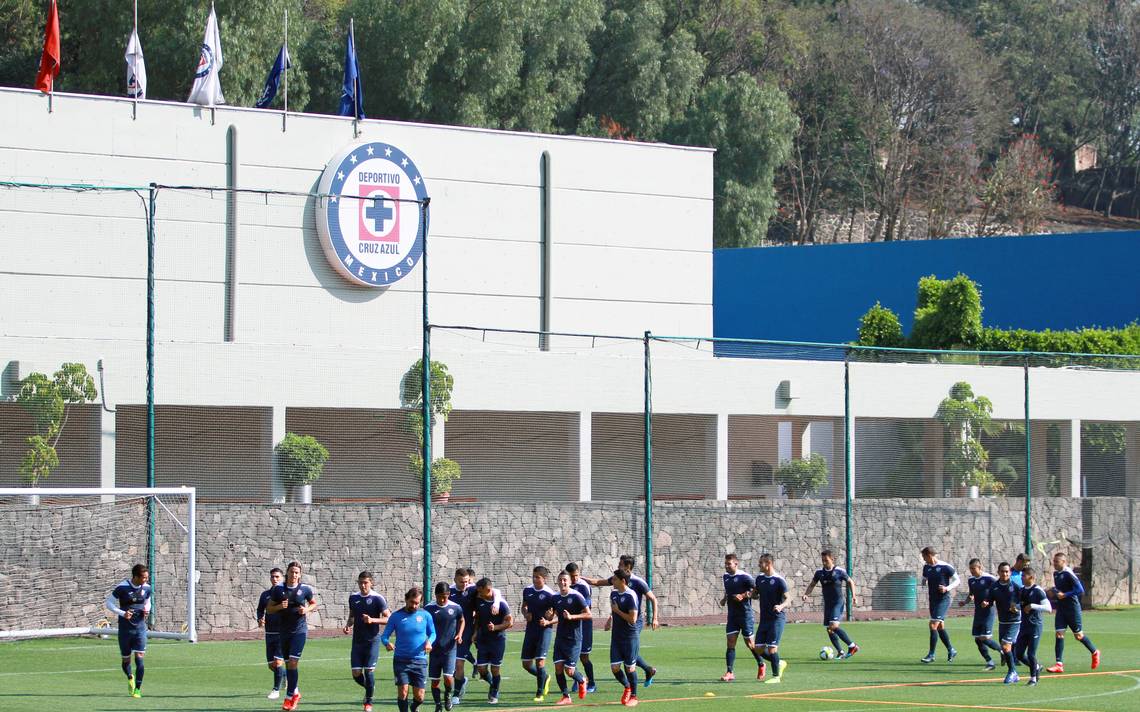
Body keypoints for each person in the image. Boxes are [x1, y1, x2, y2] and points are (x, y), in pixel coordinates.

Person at [585, 555, 659, 686]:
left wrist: (655, 618)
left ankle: (631, 689)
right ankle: (647, 670)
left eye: (620, 564)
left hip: (635, 621)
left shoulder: (638, 582)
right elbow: (597, 582)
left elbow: (653, 598)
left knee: (628, 653)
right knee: (627, 653)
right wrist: (579, 578)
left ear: (627, 567)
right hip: (620, 621)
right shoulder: (617, 579)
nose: (618, 566)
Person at [267, 561, 318, 711]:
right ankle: (295, 692)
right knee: (289, 664)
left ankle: (289, 697)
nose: (294, 575)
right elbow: (269, 609)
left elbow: (314, 604)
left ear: (299, 574)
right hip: (283, 631)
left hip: (299, 631)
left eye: (297, 572)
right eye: (292, 572)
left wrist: (307, 610)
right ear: (287, 573)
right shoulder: (278, 590)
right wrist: (278, 607)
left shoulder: (305, 590)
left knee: (293, 662)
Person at [381, 587, 436, 712]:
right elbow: (384, 636)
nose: (414, 605)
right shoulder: (396, 616)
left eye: (417, 603)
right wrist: (386, 643)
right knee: (403, 692)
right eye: (412, 602)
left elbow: (433, 633)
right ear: (406, 599)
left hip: (420, 660)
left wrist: (429, 642)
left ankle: (414, 706)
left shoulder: (425, 615)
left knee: (420, 696)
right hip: (401, 660)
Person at [344, 571, 391, 712]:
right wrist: (348, 625)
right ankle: (370, 687)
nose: (363, 585)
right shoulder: (353, 598)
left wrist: (373, 620)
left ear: (371, 583)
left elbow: (389, 618)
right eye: (360, 582)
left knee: (369, 670)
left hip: (372, 640)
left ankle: (368, 702)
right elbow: (352, 615)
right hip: (357, 641)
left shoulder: (378, 599)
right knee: (356, 673)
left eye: (366, 582)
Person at [1046, 552, 1100, 673]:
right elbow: (1060, 589)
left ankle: (1095, 652)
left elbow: (1080, 590)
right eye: (1053, 561)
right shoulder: (1056, 574)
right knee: (1059, 634)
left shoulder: (1068, 573)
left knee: (1079, 636)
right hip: (1061, 609)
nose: (1054, 564)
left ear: (1063, 562)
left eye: (1056, 562)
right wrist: (1053, 590)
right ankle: (1059, 664)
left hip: (1072, 608)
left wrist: (1065, 595)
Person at [802, 550, 859, 660]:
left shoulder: (839, 571)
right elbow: (812, 584)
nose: (824, 563)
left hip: (837, 603)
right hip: (828, 604)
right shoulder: (819, 572)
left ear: (832, 559)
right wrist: (806, 594)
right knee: (829, 629)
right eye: (822, 560)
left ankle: (852, 646)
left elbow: (850, 582)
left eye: (826, 560)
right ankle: (840, 652)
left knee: (833, 626)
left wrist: (854, 596)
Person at [106, 563, 152, 699]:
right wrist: (122, 613)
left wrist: (147, 610)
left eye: (147, 577)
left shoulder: (147, 588)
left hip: (140, 629)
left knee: (139, 658)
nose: (146, 580)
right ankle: (130, 677)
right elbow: (109, 603)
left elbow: (148, 601)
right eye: (144, 577)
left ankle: (138, 689)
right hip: (125, 629)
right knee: (126, 660)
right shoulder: (122, 587)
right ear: (136, 577)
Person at [719, 552, 765, 681]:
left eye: (729, 564)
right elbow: (728, 591)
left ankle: (761, 664)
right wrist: (724, 599)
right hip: (733, 616)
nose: (727, 566)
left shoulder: (745, 577)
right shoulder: (726, 577)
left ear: (736, 563)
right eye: (725, 564)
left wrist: (743, 596)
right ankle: (729, 672)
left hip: (745, 615)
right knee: (730, 642)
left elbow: (757, 593)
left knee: (750, 644)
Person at [550, 570, 591, 705]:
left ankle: (582, 680)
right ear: (557, 581)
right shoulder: (555, 597)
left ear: (569, 582)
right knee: (558, 668)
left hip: (574, 639)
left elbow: (588, 614)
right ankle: (566, 696)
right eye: (560, 580)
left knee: (570, 671)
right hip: (560, 638)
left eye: (565, 580)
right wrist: (549, 616)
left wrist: (572, 617)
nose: (562, 582)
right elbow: (553, 614)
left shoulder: (577, 596)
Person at [424, 581, 464, 712]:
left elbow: (462, 620)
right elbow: (423, 626)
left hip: (449, 649)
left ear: (449, 595)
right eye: (439, 596)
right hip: (434, 650)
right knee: (435, 681)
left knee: (447, 677)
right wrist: (426, 641)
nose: (442, 599)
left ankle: (447, 695)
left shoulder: (456, 607)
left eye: (445, 596)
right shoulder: (428, 608)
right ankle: (438, 704)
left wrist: (459, 634)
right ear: (435, 595)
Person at [473, 577, 513, 705]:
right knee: (481, 669)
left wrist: (495, 627)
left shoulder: (501, 603)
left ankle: (494, 691)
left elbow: (509, 622)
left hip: (497, 640)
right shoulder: (479, 601)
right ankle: (492, 684)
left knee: (495, 669)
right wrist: (475, 632)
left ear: (488, 589)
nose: (478, 593)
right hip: (483, 640)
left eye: (481, 591)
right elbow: (478, 618)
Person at [521, 566, 557, 701]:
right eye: (534, 577)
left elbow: (557, 615)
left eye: (538, 577)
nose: (535, 579)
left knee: (540, 663)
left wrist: (550, 617)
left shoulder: (550, 594)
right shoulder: (528, 590)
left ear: (544, 579)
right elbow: (523, 606)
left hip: (544, 631)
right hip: (530, 630)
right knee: (526, 664)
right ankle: (545, 677)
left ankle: (539, 693)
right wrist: (526, 614)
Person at [982, 562, 1022, 684]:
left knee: (1005, 645)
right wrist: (986, 603)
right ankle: (1033, 667)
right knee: (1007, 649)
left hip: (1014, 621)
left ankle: (1012, 672)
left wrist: (1017, 607)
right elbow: (989, 599)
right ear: (998, 572)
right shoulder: (994, 587)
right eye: (1002, 571)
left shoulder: (1015, 587)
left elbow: (1023, 602)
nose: (1004, 573)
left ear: (1010, 572)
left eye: (1007, 571)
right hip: (1002, 621)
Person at [753, 553, 790, 684]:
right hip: (764, 619)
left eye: (761, 563)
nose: (759, 565)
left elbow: (788, 599)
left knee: (772, 648)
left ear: (768, 564)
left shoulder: (779, 580)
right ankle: (779, 662)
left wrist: (781, 606)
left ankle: (776, 677)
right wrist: (750, 594)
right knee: (758, 648)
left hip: (777, 619)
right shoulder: (759, 579)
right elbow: (755, 594)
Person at [919, 546, 959, 663]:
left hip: (943, 600)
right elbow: (924, 578)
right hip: (933, 600)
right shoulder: (926, 567)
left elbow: (957, 580)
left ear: (929, 555)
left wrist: (947, 588)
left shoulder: (945, 567)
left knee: (932, 625)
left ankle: (931, 655)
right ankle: (951, 650)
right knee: (940, 627)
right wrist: (923, 582)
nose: (923, 559)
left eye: (924, 556)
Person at [959, 558, 1000, 670]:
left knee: (984, 638)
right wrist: (965, 602)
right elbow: (971, 594)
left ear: (980, 567)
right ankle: (990, 662)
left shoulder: (990, 579)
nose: (972, 571)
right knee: (978, 639)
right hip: (978, 612)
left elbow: (998, 592)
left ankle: (1002, 650)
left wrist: (988, 602)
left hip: (989, 612)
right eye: (970, 569)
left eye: (974, 568)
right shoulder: (971, 580)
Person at [609, 569, 641, 706]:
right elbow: (614, 613)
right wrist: (610, 617)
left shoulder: (631, 595)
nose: (612, 581)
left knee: (630, 669)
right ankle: (627, 686)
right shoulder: (613, 594)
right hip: (616, 637)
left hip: (629, 637)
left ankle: (634, 696)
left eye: (614, 579)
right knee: (615, 668)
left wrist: (617, 611)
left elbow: (632, 619)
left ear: (622, 581)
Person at [1014, 567, 1051, 686]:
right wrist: (1016, 608)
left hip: (1035, 626)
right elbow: (1022, 605)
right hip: (1024, 625)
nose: (1022, 578)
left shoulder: (1038, 591)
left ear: (1031, 577)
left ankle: (1033, 679)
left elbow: (1049, 608)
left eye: (1024, 576)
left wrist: (1033, 606)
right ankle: (1037, 666)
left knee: (1031, 654)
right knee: (1018, 654)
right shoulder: (1022, 590)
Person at [565, 562, 597, 693]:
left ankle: (592, 683)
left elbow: (586, 609)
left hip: (584, 625)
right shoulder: (565, 585)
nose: (574, 579)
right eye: (572, 576)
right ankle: (579, 680)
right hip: (571, 626)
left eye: (576, 576)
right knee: (571, 656)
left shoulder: (583, 586)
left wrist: (572, 614)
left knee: (584, 656)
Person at [257, 567, 286, 699]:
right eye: (272, 577)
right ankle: (286, 675)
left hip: (282, 633)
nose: (274, 579)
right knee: (271, 666)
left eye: (277, 577)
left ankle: (276, 690)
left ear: (282, 578)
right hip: (269, 634)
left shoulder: (286, 594)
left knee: (278, 662)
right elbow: (260, 610)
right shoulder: (265, 595)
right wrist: (260, 618)